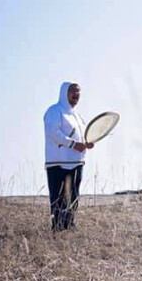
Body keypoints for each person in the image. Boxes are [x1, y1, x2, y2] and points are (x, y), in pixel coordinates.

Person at [43, 82, 94, 231]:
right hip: (57, 163)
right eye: (72, 91)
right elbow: (53, 133)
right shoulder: (54, 111)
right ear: (64, 92)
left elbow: (83, 137)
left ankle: (70, 225)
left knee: (73, 196)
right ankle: (58, 227)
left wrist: (88, 143)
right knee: (58, 197)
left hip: (77, 162)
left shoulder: (78, 116)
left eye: (78, 92)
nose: (76, 94)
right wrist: (73, 144)